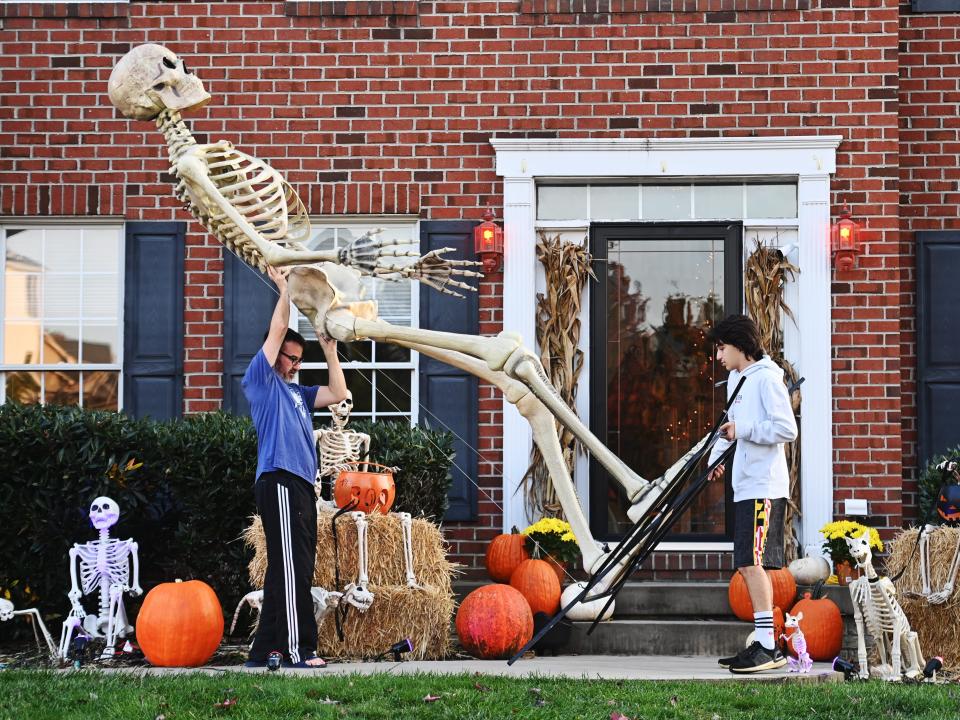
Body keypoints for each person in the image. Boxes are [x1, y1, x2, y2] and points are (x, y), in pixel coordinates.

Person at [242, 265, 348, 669]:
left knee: (292, 568)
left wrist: (330, 350)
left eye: (301, 359)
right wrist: (284, 288)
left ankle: (263, 651)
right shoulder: (261, 381)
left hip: (302, 486)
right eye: (291, 357)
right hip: (279, 480)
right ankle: (298, 649)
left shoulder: (299, 393)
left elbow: (339, 392)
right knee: (292, 570)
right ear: (276, 355)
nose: (296, 365)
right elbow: (277, 329)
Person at [707, 314, 798, 674]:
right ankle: (761, 642)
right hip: (744, 484)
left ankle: (767, 646)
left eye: (721, 347)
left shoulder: (767, 380)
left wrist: (742, 430)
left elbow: (785, 428)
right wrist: (716, 459)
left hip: (763, 486)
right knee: (746, 561)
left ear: (740, 346)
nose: (718, 356)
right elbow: (729, 427)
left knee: (751, 562)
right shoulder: (736, 380)